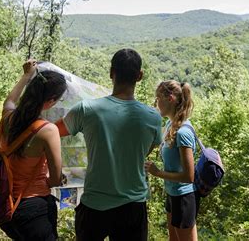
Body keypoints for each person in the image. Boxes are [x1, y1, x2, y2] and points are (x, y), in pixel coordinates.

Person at [55, 48, 162, 241]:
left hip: (94, 205)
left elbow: (51, 132)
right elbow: (143, 153)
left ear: (111, 72)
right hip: (133, 207)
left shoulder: (87, 110)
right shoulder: (153, 117)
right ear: (140, 76)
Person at [0, 59, 67, 241]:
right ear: (51, 101)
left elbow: (10, 100)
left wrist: (27, 75)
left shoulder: (8, 117)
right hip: (33, 207)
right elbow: (54, 180)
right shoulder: (47, 130)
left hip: (5, 205)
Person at [145, 80, 199, 241]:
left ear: (170, 98)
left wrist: (157, 172)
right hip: (172, 194)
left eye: (158, 98)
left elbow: (189, 176)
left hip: (183, 198)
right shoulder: (170, 125)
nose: (156, 103)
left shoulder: (182, 132)